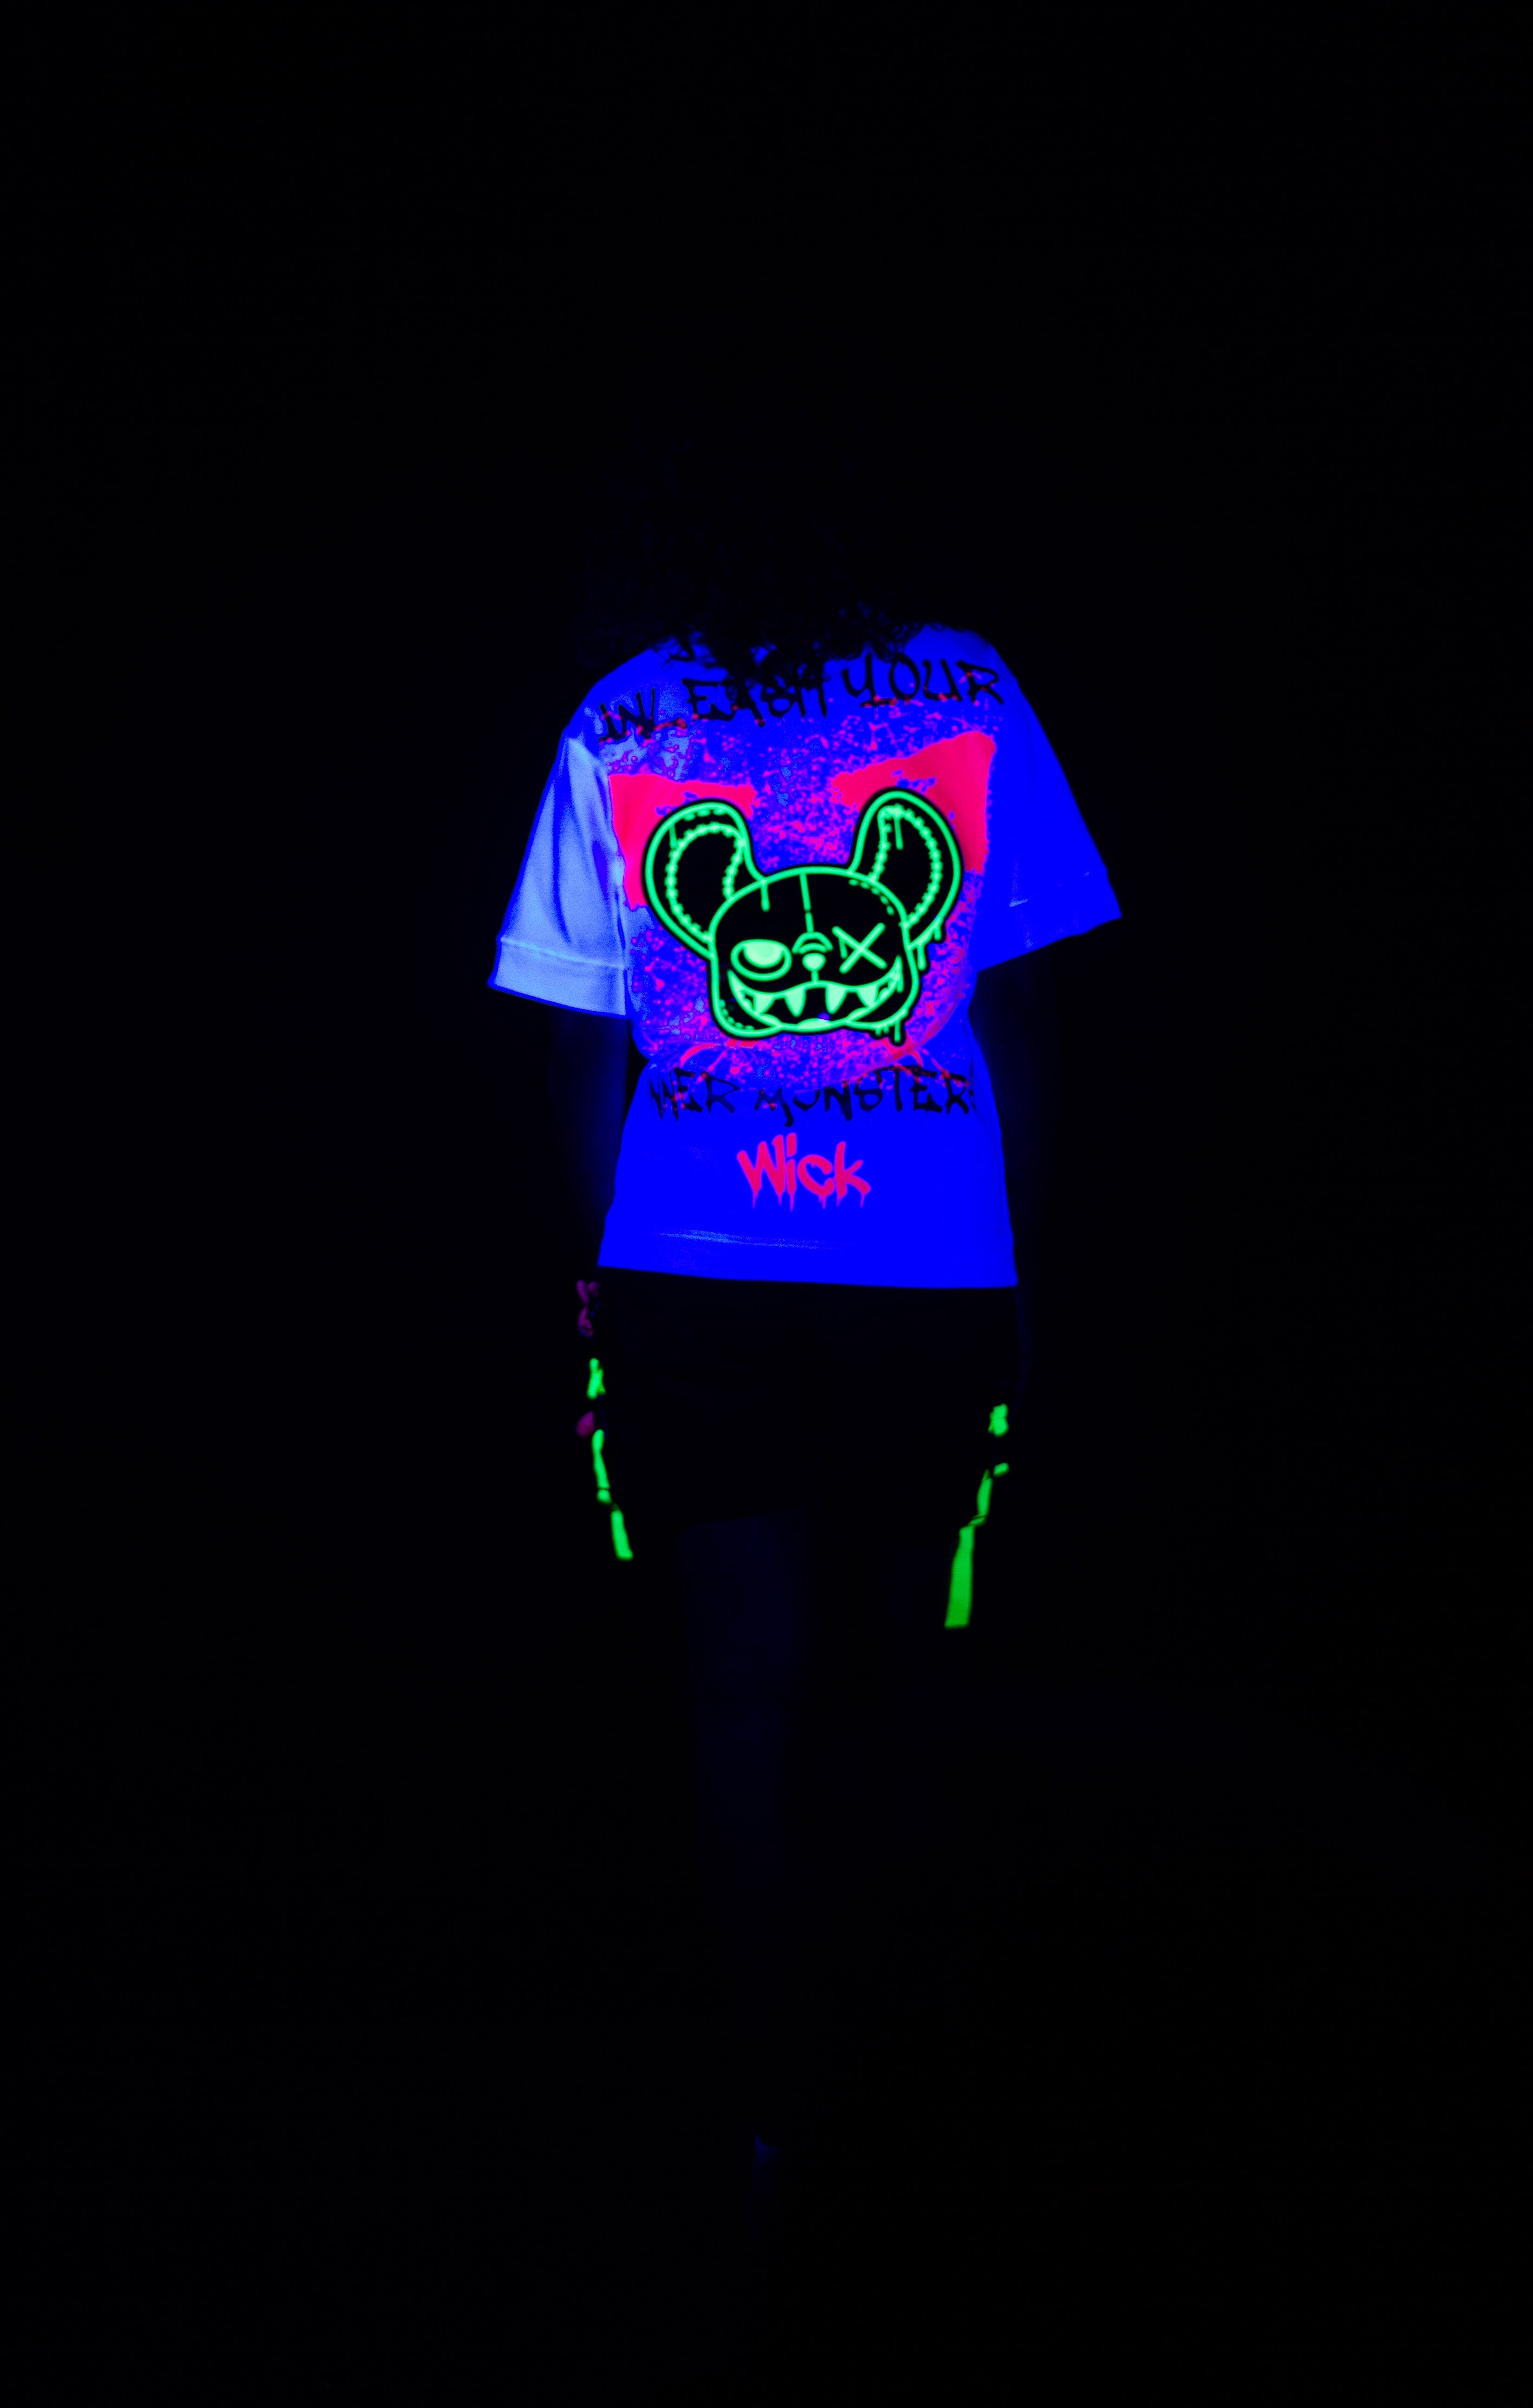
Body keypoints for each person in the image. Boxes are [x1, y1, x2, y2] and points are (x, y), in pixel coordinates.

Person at [489, 458, 1120, 2215]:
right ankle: (907, 2106)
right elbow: (1030, 1007)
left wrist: (605, 1280)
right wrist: (1023, 1260)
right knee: (913, 1671)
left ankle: (782, 2119)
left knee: (745, 1692)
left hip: (692, 1273)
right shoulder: (972, 683)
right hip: (932, 1270)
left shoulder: (625, 710)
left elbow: (576, 1041)